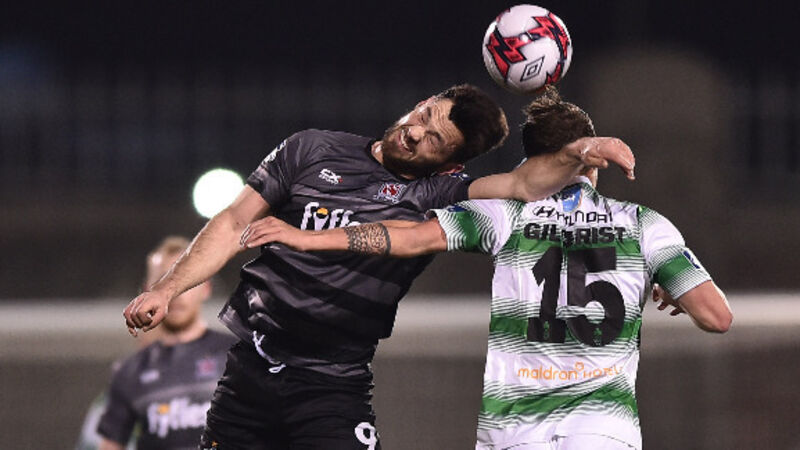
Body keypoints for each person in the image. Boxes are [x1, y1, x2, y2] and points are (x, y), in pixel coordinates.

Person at [123, 84, 635, 449]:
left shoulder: (437, 195)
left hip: (330, 386)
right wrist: (166, 289)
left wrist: (582, 150)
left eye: (434, 139)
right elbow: (233, 221)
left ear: (450, 165)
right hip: (249, 374)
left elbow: (524, 184)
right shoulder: (310, 149)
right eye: (424, 115)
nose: (415, 132)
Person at [241, 86, 733, 450]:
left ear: (534, 162)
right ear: (592, 166)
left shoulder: (503, 215)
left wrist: (306, 236)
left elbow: (406, 237)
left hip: (514, 430)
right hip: (603, 430)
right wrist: (665, 283)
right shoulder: (643, 226)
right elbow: (717, 317)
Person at [95, 236, 235, 450]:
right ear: (147, 292)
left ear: (205, 288)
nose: (176, 294)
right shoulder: (129, 371)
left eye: (185, 282)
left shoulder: (237, 356)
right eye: (163, 282)